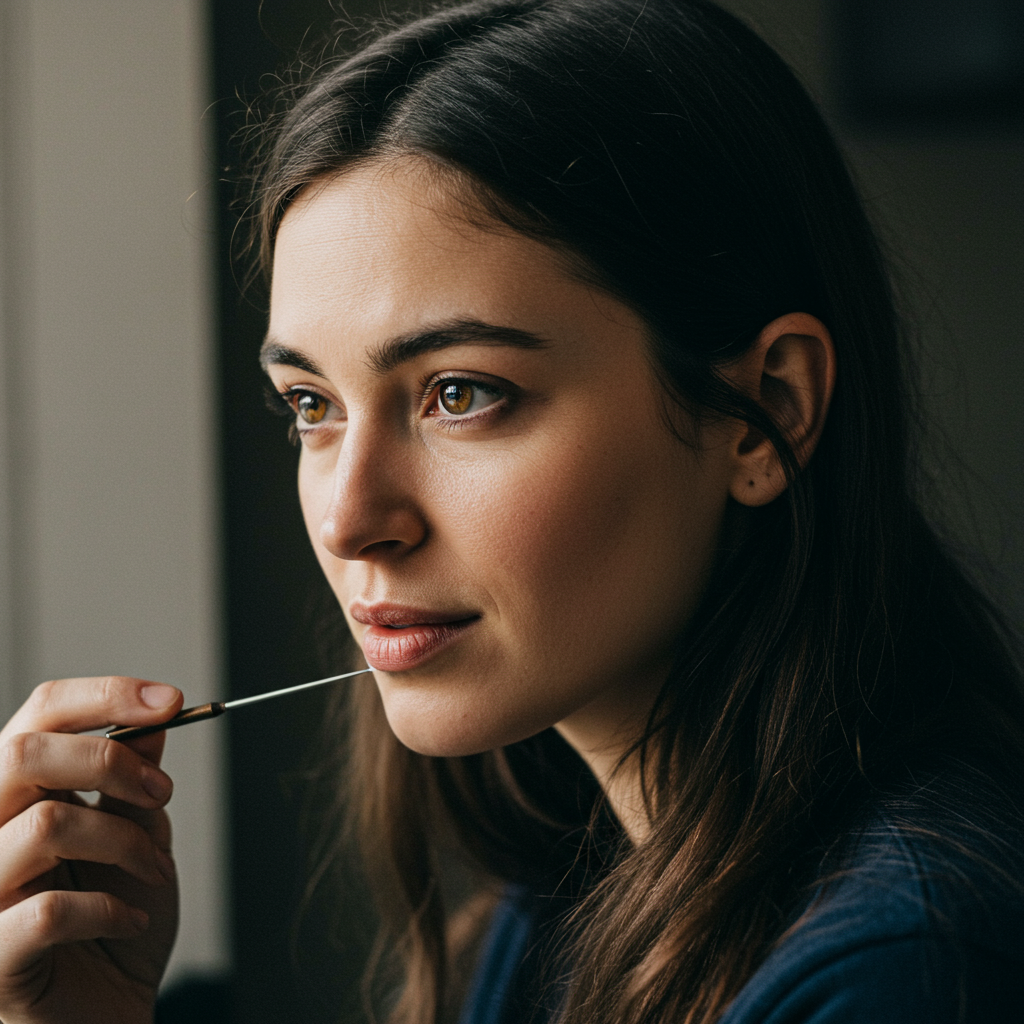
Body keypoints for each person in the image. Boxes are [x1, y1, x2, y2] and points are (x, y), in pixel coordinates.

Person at [0, 1, 1020, 1022]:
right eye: (311, 405)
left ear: (765, 416)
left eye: (461, 393)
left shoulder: (908, 964)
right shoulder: (565, 885)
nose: (349, 519)